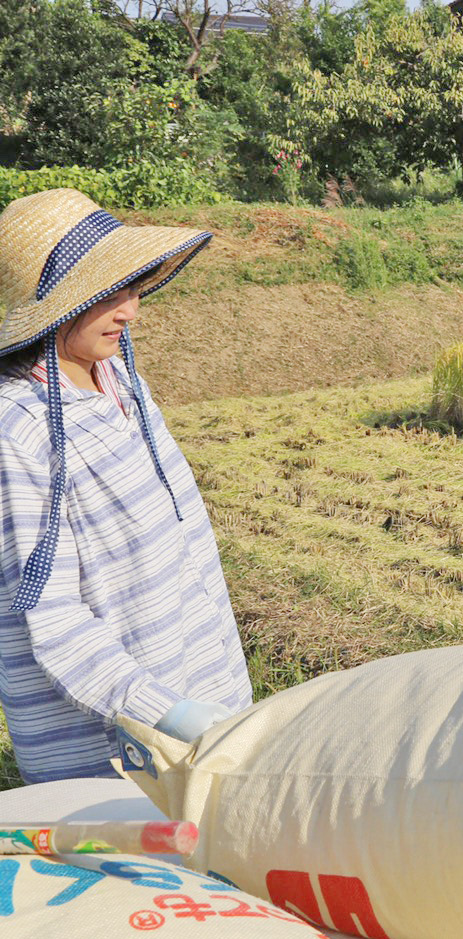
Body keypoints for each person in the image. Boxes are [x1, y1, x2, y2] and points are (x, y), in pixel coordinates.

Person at [0, 188, 251, 783]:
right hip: (114, 746)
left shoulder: (121, 384)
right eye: (106, 293)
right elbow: (51, 618)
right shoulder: (18, 429)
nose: (130, 311)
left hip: (203, 696)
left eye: (133, 286)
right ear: (54, 307)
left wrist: (216, 702)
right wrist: (169, 713)